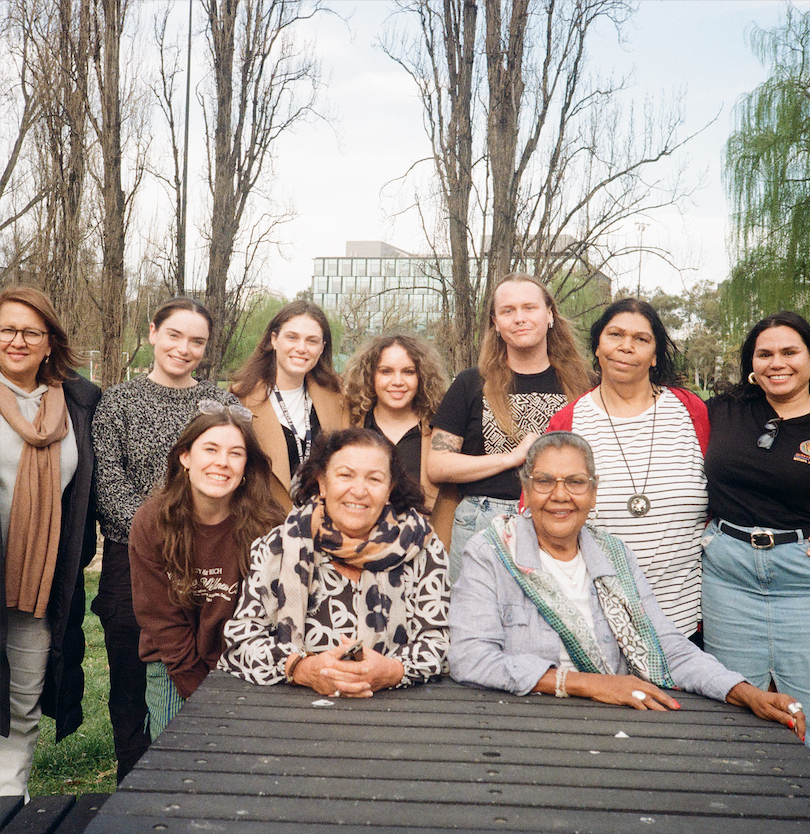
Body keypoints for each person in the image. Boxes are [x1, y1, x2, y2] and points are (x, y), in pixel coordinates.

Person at [449, 432, 805, 744]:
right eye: (544, 481)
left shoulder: (613, 554)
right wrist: (586, 683)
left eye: (575, 482)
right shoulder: (492, 551)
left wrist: (744, 693)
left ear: (593, 492)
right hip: (523, 730)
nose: (560, 495)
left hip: (615, 728)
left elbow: (667, 646)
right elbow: (470, 658)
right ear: (525, 488)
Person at [92, 296, 239, 782]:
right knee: (134, 687)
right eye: (174, 335)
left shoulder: (223, 405)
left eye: (196, 341)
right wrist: (161, 539)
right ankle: (134, 789)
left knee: (201, 673)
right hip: (134, 563)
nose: (184, 348)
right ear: (153, 332)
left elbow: (246, 476)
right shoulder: (118, 401)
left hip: (212, 562)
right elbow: (110, 489)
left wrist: (198, 543)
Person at [218, 428, 449, 696]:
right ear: (323, 484)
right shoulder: (279, 546)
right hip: (294, 710)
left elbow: (439, 644)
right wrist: (304, 669)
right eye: (345, 475)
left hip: (398, 709)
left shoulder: (422, 546)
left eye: (374, 479)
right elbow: (241, 642)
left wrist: (391, 671)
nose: (359, 491)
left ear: (389, 490)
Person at [547, 298, 709, 639]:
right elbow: (542, 513)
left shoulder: (691, 412)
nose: (625, 346)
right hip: (599, 622)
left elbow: (738, 486)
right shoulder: (568, 422)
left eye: (641, 339)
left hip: (685, 619)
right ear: (597, 346)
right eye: (615, 334)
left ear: (655, 355)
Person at [129, 405, 284, 740]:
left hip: (247, 660)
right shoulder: (153, 521)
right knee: (176, 761)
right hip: (175, 662)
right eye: (210, 449)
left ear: (246, 465)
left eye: (235, 453)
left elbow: (276, 614)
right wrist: (198, 690)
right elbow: (159, 617)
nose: (222, 462)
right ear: (185, 457)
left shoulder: (269, 524)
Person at [0, 286, 100, 797]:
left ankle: (9, 804)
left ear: (49, 342)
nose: (17, 341)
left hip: (41, 581)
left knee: (23, 700)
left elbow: (90, 490)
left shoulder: (79, 401)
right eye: (6, 330)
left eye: (30, 332)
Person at [428, 274, 591, 582]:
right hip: (484, 520)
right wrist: (511, 458)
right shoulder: (470, 383)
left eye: (529, 308)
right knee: (476, 625)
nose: (519, 318)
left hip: (563, 517)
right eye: (508, 311)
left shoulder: (585, 384)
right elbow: (438, 465)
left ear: (550, 315)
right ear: (496, 322)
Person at [703, 310, 810, 737]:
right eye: (764, 354)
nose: (776, 363)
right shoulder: (722, 411)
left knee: (803, 707)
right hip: (728, 576)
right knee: (736, 704)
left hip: (801, 577)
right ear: (751, 364)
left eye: (790, 352)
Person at [230, 300, 343, 513]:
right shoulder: (239, 399)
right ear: (274, 340)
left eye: (312, 341)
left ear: (322, 348)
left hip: (324, 527)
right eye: (292, 337)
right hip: (261, 526)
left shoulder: (339, 400)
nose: (301, 348)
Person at [343, 333, 448, 510]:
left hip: (422, 533)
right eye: (386, 371)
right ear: (370, 376)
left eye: (408, 372)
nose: (397, 381)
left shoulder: (439, 428)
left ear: (421, 377)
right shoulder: (350, 423)